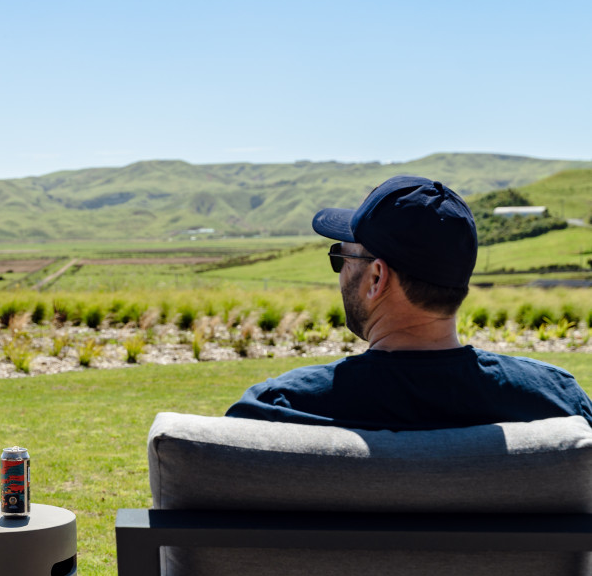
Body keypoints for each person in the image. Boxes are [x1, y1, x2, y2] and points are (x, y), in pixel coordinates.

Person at [226, 175, 592, 429]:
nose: (340, 274)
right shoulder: (559, 405)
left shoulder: (278, 408)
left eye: (341, 258)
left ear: (376, 278)